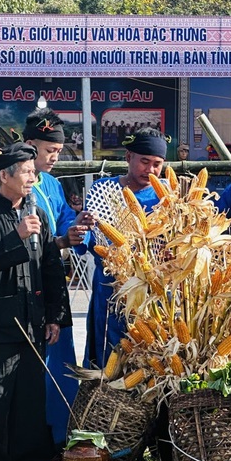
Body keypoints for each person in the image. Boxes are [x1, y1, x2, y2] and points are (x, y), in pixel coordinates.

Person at [0, 143, 69, 461]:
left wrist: (54, 316)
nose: (33, 177)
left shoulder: (36, 212)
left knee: (29, 398)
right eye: (25, 171)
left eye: (32, 171)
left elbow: (51, 267)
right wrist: (17, 236)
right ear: (4, 176)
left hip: (32, 321)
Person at [0, 108, 86, 452]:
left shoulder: (54, 185)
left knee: (60, 360)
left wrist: (73, 232)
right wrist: (56, 242)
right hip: (22, 287)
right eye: (50, 152)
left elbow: (60, 225)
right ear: (29, 145)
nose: (55, 158)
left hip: (51, 281)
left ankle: (63, 435)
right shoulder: (6, 188)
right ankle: (32, 441)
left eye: (58, 152)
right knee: (32, 364)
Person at [76, 127, 167, 369]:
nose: (150, 170)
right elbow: (88, 235)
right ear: (128, 158)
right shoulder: (103, 190)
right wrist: (79, 233)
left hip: (154, 288)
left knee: (153, 355)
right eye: (144, 162)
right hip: (111, 287)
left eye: (157, 164)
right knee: (110, 354)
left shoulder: (168, 195)